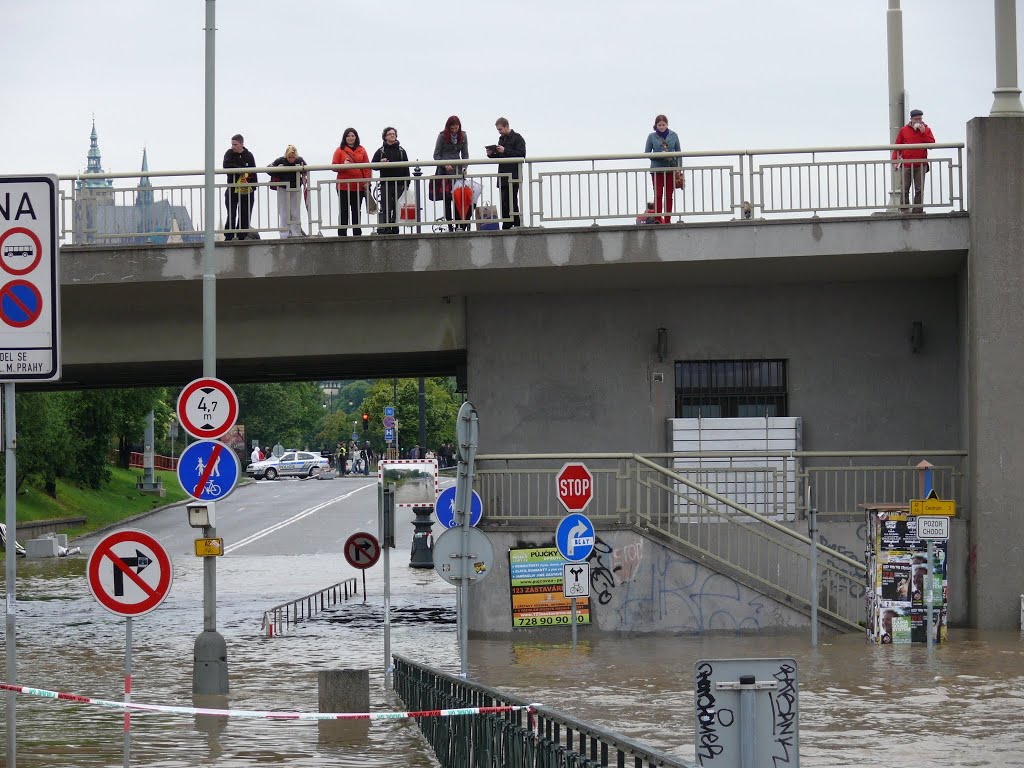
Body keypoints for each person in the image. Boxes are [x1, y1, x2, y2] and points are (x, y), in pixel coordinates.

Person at [893, 108, 935, 215]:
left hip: (921, 164)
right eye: (916, 119)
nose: (918, 121)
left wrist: (923, 133)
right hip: (907, 164)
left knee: (919, 189)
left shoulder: (926, 129)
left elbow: (931, 144)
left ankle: (918, 211)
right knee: (904, 188)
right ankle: (904, 209)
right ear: (911, 119)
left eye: (920, 119)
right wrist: (895, 161)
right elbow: (897, 146)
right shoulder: (904, 130)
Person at [486, 117, 526, 229]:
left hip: (513, 176)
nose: (499, 132)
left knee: (512, 200)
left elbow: (521, 154)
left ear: (507, 126)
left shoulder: (518, 138)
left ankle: (516, 223)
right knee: (504, 201)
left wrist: (505, 150)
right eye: (498, 130)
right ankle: (506, 224)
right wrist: (492, 154)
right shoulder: (501, 140)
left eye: (500, 129)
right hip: (503, 175)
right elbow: (501, 157)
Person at [433, 116, 469, 230]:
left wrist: (464, 167)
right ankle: (450, 225)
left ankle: (460, 225)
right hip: (444, 172)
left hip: (458, 171)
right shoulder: (442, 136)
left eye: (456, 128)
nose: (454, 130)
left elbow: (465, 155)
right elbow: (436, 155)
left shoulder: (463, 136)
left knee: (459, 198)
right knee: (447, 199)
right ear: (448, 127)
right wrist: (444, 164)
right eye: (452, 128)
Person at [371, 127, 410, 235]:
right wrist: (380, 162)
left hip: (399, 183)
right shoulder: (381, 151)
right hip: (385, 183)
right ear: (385, 136)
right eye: (390, 134)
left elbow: (407, 167)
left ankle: (395, 227)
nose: (392, 135)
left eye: (394, 134)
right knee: (386, 206)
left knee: (397, 207)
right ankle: (387, 227)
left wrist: (407, 184)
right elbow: (373, 165)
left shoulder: (401, 151)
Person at [333, 128, 371, 236]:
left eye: (353, 136)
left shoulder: (362, 150)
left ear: (356, 137)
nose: (350, 138)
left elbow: (368, 167)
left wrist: (367, 181)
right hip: (344, 186)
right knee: (344, 210)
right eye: (348, 136)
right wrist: (343, 165)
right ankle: (342, 234)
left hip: (358, 186)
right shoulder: (339, 150)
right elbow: (334, 166)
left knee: (356, 210)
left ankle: (357, 233)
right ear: (345, 137)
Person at [644, 115, 681, 224]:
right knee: (658, 194)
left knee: (669, 195)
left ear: (667, 124)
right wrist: (659, 155)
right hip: (656, 169)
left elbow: (679, 153)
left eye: (663, 125)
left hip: (670, 169)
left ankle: (668, 220)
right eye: (659, 125)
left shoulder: (674, 135)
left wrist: (679, 168)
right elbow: (647, 153)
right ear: (656, 125)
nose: (661, 127)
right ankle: (658, 219)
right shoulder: (651, 137)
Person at [223, 134, 258, 240]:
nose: (233, 146)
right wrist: (241, 170)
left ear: (242, 144)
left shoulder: (249, 155)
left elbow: (254, 171)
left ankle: (242, 235)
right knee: (231, 213)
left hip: (247, 189)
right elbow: (226, 166)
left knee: (245, 213)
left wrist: (253, 186)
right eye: (232, 144)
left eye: (235, 144)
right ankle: (229, 236)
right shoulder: (229, 154)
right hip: (232, 189)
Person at [269, 144, 307, 238]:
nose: (291, 159)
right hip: (283, 188)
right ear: (286, 155)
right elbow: (268, 169)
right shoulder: (280, 160)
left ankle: (296, 233)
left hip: (296, 188)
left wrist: (303, 170)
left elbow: (306, 169)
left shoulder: (300, 160)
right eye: (289, 157)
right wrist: (278, 169)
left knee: (295, 211)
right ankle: (284, 234)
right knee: (283, 211)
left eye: (293, 157)